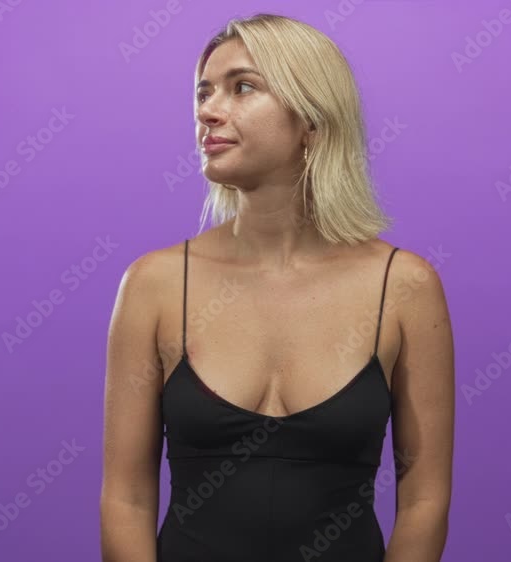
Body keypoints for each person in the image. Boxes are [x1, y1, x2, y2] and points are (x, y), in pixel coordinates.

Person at [101, 13, 454, 562]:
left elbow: (424, 501)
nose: (207, 110)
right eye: (203, 92)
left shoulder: (405, 287)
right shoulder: (154, 285)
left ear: (311, 118)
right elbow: (126, 499)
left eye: (242, 87)